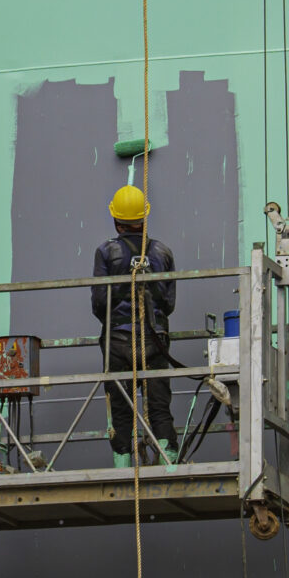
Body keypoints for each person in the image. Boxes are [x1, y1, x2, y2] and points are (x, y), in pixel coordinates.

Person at [91, 183, 176, 466]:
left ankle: (122, 466)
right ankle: (168, 463)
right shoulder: (162, 252)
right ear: (144, 216)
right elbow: (168, 304)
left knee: (120, 407)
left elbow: (99, 304)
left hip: (118, 340)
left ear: (116, 219)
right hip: (154, 341)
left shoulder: (106, 252)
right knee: (159, 406)